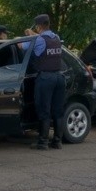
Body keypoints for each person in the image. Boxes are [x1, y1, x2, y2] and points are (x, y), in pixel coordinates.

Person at [19, 14, 65, 149]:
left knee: (43, 110)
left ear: (39, 26)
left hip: (45, 79)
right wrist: (32, 33)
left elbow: (21, 46)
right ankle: (57, 141)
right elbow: (43, 37)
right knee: (58, 111)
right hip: (59, 77)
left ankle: (42, 142)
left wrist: (23, 37)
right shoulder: (56, 38)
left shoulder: (39, 40)